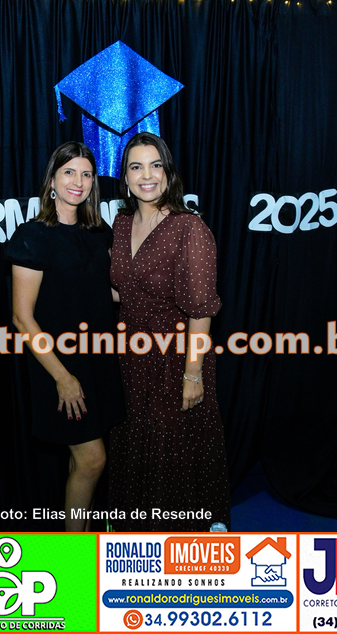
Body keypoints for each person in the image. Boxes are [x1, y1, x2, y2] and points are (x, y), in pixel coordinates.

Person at [109, 132, 230, 531]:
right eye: (136, 167)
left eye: (155, 165)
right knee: (135, 449)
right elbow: (122, 289)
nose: (147, 176)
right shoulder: (121, 223)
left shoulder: (188, 227)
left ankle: (182, 543)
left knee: (172, 455)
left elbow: (201, 309)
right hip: (130, 357)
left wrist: (192, 374)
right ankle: (135, 541)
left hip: (175, 360)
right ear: (125, 177)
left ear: (168, 172)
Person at [6, 142, 124, 531]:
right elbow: (22, 318)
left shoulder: (99, 232)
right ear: (52, 180)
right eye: (69, 172)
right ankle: (74, 550)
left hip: (98, 361)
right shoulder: (32, 236)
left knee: (83, 461)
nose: (79, 181)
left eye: (87, 174)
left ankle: (80, 539)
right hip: (59, 367)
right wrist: (62, 377)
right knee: (92, 459)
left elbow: (106, 293)